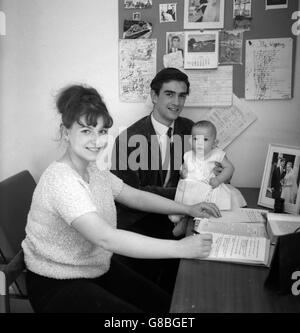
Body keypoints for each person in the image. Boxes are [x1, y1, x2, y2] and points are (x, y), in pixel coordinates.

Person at [21, 84, 220, 313]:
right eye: (86, 131)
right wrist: (181, 249)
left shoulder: (94, 170)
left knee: (167, 306)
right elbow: (107, 239)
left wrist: (188, 209)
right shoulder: (62, 181)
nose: (97, 141)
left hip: (94, 268)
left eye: (102, 131)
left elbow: (134, 196)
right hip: (57, 283)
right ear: (66, 132)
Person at [111, 68, 222, 293]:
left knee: (207, 263)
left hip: (181, 216)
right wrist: (185, 194)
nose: (177, 102)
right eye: (169, 94)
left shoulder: (190, 129)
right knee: (170, 281)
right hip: (141, 221)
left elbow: (208, 166)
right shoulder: (128, 139)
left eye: (182, 95)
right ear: (154, 96)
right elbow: (128, 195)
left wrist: (216, 172)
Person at [169, 121, 247, 234]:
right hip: (191, 189)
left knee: (210, 213)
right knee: (187, 201)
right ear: (191, 140)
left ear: (214, 143)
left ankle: (199, 226)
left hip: (208, 186)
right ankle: (184, 220)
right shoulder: (188, 155)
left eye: (205, 140)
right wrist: (183, 173)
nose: (199, 144)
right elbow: (184, 169)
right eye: (196, 139)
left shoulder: (217, 154)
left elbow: (230, 168)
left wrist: (219, 179)